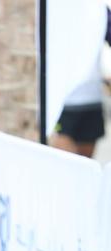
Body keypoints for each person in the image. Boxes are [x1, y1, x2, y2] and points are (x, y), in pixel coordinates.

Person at [51, 5, 111, 158]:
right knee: (67, 164)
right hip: (61, 104)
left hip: (91, 100)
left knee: (84, 166)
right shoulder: (53, 9)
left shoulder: (97, 10)